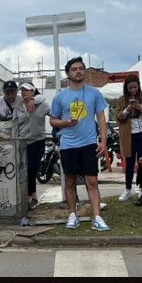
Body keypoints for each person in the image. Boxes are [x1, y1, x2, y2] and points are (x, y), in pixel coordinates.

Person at [50, 57, 111, 231]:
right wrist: (66, 123)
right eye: (74, 69)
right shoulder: (60, 97)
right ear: (68, 73)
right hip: (68, 144)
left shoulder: (94, 93)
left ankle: (97, 217)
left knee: (92, 181)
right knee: (70, 181)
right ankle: (72, 214)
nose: (79, 71)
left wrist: (104, 141)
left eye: (81, 68)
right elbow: (53, 121)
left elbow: (101, 117)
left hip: (89, 142)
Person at [115, 76, 142, 202]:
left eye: (135, 87)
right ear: (126, 89)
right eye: (130, 88)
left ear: (139, 86)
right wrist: (127, 109)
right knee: (129, 162)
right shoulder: (121, 100)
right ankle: (128, 189)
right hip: (129, 135)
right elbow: (119, 118)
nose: (133, 90)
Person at [15, 81, 50, 224]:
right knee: (24, 171)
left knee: (32, 168)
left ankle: (31, 195)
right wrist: (13, 140)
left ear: (33, 91)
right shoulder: (19, 106)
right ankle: (30, 196)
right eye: (22, 90)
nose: (24, 93)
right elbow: (15, 124)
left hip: (37, 140)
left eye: (27, 90)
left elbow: (53, 113)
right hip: (23, 142)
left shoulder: (42, 103)